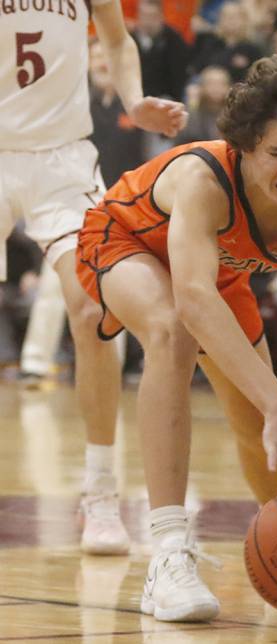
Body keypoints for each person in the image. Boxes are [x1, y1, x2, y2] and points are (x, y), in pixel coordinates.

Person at [76, 56, 277, 622]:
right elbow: (191, 300)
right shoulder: (203, 180)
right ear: (245, 147)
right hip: (126, 242)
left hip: (213, 272)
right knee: (171, 332)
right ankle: (167, 554)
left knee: (252, 418)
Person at [0, 0, 186, 554]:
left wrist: (135, 101)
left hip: (64, 160)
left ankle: (100, 492)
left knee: (92, 310)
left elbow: (118, 38)